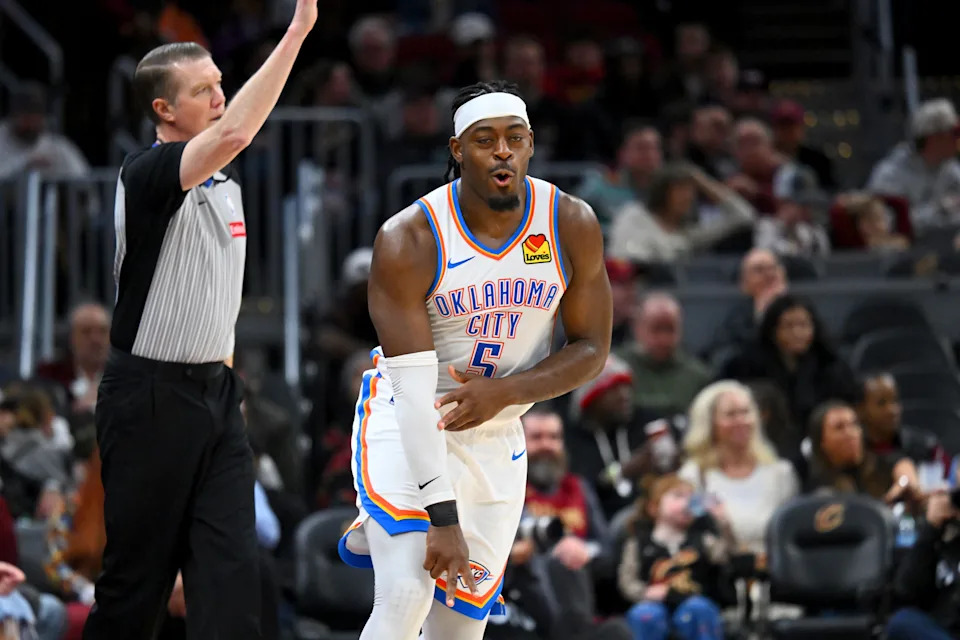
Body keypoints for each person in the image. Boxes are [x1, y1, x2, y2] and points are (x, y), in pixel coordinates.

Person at [336, 80, 612, 640]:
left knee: (459, 631)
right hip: (411, 420)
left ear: (531, 144)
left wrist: (505, 393)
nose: (502, 151)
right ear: (458, 151)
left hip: (498, 432)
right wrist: (443, 519)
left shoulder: (569, 223)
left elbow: (591, 349)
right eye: (485, 140)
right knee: (407, 593)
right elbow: (414, 394)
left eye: (515, 138)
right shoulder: (410, 237)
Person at [83, 2, 318, 638]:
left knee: (233, 576)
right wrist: (297, 30)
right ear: (164, 109)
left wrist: (227, 383)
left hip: (215, 394)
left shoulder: (227, 184)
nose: (221, 96)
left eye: (220, 83)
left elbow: (218, 300)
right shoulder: (147, 172)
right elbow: (238, 131)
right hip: (149, 398)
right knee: (137, 587)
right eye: (203, 90)